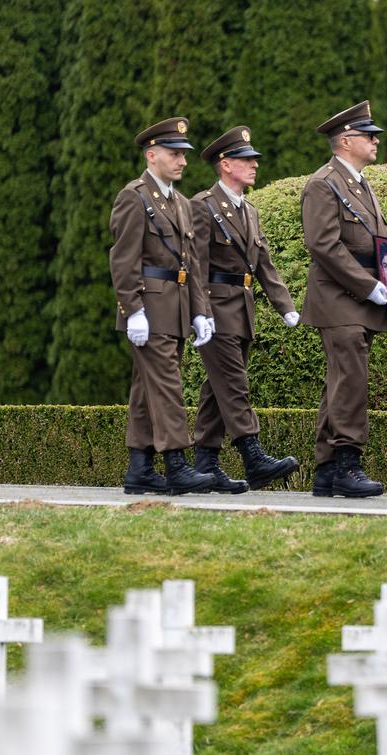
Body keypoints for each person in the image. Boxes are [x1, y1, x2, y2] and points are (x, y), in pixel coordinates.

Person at [189, 125, 301, 493]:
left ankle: (206, 465)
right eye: (246, 159)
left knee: (216, 390)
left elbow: (263, 264)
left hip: (243, 310)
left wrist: (285, 305)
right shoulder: (203, 206)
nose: (254, 165)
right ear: (225, 164)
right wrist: (200, 312)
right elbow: (196, 267)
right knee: (235, 385)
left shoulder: (248, 211)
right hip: (216, 311)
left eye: (254, 159)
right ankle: (253, 457)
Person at [110, 116, 215, 496]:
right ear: (151, 155)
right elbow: (123, 259)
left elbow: (193, 264)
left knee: (146, 390)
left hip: (177, 309)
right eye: (174, 154)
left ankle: (139, 468)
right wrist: (132, 308)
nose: (183, 161)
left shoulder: (183, 204)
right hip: (149, 310)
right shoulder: (134, 196)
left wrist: (201, 310)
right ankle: (176, 463)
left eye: (184, 154)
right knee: (168, 384)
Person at [301, 101, 387, 498]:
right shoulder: (324, 183)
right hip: (339, 295)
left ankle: (326, 468)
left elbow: (376, 243)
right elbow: (323, 244)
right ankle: (346, 463)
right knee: (350, 376)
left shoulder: (360, 182)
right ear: (345, 140)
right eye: (368, 135)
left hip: (359, 294)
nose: (375, 140)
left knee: (342, 379)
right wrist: (368, 285)